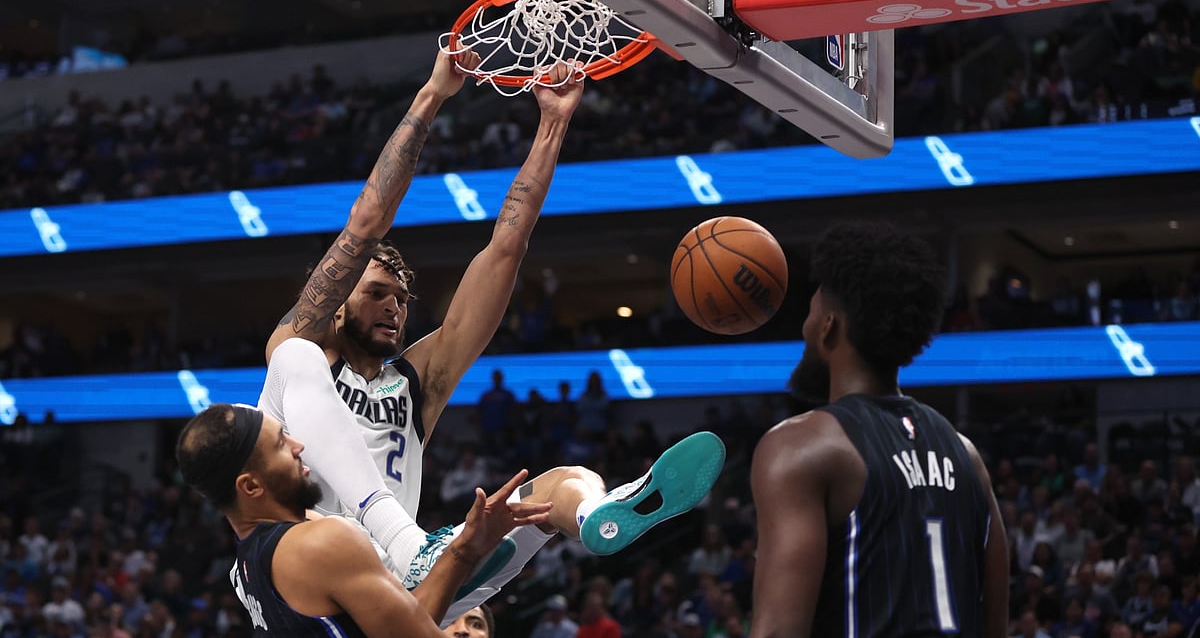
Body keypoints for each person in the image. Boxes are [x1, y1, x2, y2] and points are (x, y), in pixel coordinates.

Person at [256, 52, 724, 623]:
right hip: (315, 569)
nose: (394, 307)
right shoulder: (304, 347)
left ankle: (605, 511)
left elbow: (506, 246)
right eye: (376, 292)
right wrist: (434, 94)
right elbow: (366, 221)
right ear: (335, 302)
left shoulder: (416, 380)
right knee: (292, 358)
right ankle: (403, 539)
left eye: (402, 299)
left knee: (558, 487)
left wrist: (553, 123)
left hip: (411, 578)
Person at [748, 221, 1009, 637]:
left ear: (829, 325)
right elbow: (995, 628)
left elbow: (778, 632)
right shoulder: (967, 456)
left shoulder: (801, 447)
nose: (804, 327)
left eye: (811, 312)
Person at [175, 403, 548, 637]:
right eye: (280, 444)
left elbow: (403, 624)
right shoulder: (319, 544)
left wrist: (464, 549)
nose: (297, 446)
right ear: (251, 486)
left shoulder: (247, 563)